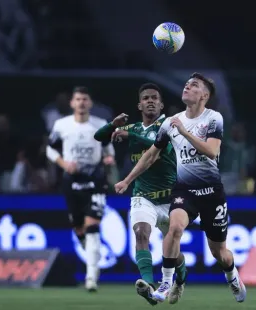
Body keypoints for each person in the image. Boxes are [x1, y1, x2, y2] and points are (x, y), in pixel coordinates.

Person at [115, 73, 247, 303]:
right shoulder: (170, 122)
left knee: (220, 253)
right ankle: (166, 283)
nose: (187, 86)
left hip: (211, 193)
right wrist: (127, 180)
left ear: (204, 95)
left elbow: (212, 151)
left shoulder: (213, 118)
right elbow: (150, 156)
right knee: (174, 228)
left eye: (194, 85)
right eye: (187, 84)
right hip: (184, 190)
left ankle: (231, 275)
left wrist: (184, 132)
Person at [94, 83, 187, 305]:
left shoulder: (170, 126)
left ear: (161, 104)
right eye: (146, 98)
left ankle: (181, 279)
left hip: (170, 198)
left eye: (155, 97)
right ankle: (149, 285)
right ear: (139, 104)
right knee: (141, 232)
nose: (151, 101)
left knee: (172, 250)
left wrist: (129, 136)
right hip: (143, 196)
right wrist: (112, 125)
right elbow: (99, 137)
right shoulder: (134, 129)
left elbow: (160, 150)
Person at [46, 86, 115, 292]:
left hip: (95, 180)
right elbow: (50, 148)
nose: (82, 103)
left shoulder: (101, 125)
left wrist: (108, 158)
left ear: (90, 103)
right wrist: (63, 163)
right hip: (72, 180)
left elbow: (108, 150)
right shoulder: (61, 125)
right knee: (78, 227)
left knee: (93, 227)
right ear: (72, 103)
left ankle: (91, 277)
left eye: (85, 99)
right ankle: (92, 252)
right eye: (78, 99)